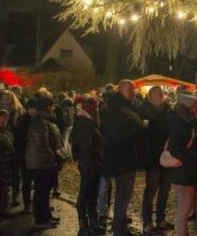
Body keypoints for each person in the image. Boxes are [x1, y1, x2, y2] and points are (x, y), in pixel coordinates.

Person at [101, 79, 146, 236]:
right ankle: (119, 229)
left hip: (126, 157)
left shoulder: (124, 106)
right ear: (121, 90)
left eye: (133, 89)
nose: (133, 92)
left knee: (124, 194)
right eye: (130, 89)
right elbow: (117, 135)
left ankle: (120, 222)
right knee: (123, 194)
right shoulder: (116, 109)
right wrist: (139, 129)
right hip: (122, 158)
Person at [167, 91, 197, 236]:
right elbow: (176, 149)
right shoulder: (178, 122)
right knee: (185, 209)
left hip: (194, 171)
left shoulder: (192, 121)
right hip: (184, 173)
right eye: (195, 106)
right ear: (187, 107)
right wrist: (194, 157)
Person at [25, 96, 66, 229]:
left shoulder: (45, 119)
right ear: (46, 107)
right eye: (51, 105)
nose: (53, 108)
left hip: (44, 160)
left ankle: (46, 216)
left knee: (44, 191)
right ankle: (41, 220)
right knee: (41, 191)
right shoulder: (40, 121)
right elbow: (42, 143)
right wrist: (53, 157)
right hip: (41, 161)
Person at [138, 85, 174, 234]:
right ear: (150, 97)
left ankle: (160, 218)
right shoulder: (143, 112)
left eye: (159, 95)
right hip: (152, 157)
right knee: (151, 191)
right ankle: (147, 221)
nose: (157, 97)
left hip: (166, 155)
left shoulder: (168, 111)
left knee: (165, 190)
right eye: (154, 95)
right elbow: (141, 137)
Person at [72, 96, 103, 236]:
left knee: (92, 193)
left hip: (93, 163)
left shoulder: (88, 122)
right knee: (85, 194)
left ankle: (92, 222)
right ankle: (83, 225)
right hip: (89, 163)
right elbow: (87, 147)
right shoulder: (84, 123)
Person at [13, 98, 38, 212]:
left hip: (37, 154)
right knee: (27, 180)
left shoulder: (39, 120)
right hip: (25, 154)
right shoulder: (22, 121)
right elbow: (17, 138)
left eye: (35, 109)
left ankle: (37, 202)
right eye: (32, 108)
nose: (34, 111)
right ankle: (27, 203)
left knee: (37, 180)